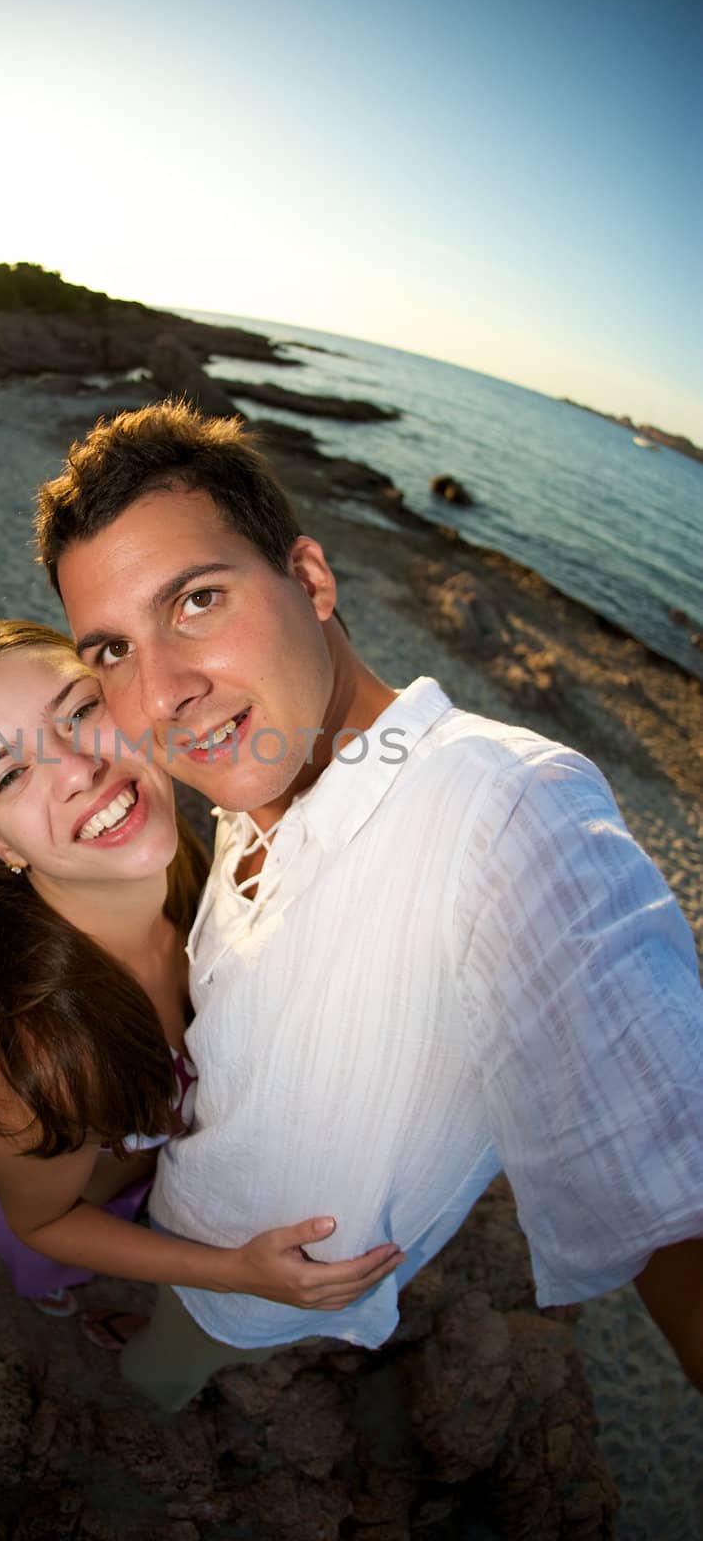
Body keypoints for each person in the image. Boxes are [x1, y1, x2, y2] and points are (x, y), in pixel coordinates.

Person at [35, 399, 703, 1410]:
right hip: (182, 1217)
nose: (163, 692)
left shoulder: (506, 809)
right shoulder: (254, 779)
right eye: (113, 650)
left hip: (268, 1301)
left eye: (197, 600)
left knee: (151, 1383)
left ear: (309, 579)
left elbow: (679, 1193)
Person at [0, 616, 403, 1348]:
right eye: (11, 774)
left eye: (81, 712)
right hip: (80, 1203)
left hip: (154, 1180)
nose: (78, 769)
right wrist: (235, 1271)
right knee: (48, 1275)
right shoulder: (38, 1055)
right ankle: (56, 1302)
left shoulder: (197, 868)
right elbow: (46, 1219)